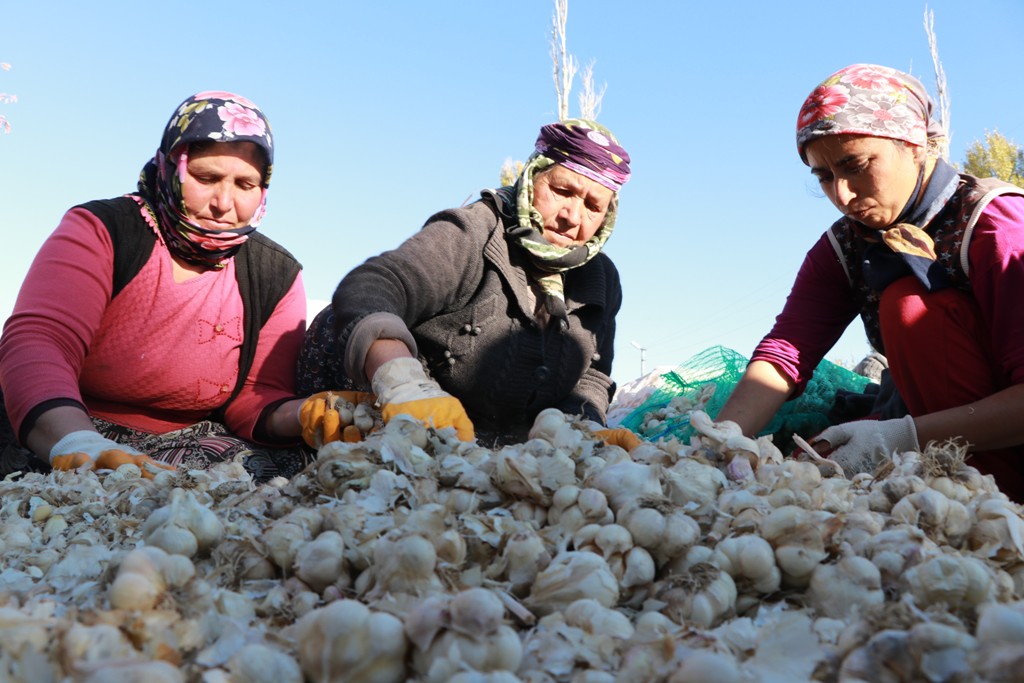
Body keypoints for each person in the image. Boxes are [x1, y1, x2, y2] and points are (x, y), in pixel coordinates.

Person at [715, 63, 1024, 502]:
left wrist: (902, 437)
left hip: (1003, 442)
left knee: (910, 306)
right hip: (931, 427)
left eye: (855, 165)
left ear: (913, 146)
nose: (841, 194)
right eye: (823, 176)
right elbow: (787, 351)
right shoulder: (845, 245)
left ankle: (998, 504)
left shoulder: (997, 226)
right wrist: (720, 442)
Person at [0, 91, 329, 481]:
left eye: (245, 184)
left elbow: (259, 395)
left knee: (276, 483)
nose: (225, 202)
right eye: (207, 178)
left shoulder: (276, 274)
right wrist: (77, 444)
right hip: (66, 421)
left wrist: (310, 414)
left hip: (186, 441)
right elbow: (42, 340)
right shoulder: (103, 230)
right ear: (172, 166)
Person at [297, 118, 640, 449]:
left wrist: (582, 426)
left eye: (594, 206)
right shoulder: (475, 232)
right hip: (408, 425)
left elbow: (591, 375)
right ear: (533, 175)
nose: (573, 217)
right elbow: (374, 286)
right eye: (562, 190)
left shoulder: (601, 280)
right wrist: (402, 383)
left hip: (494, 452)